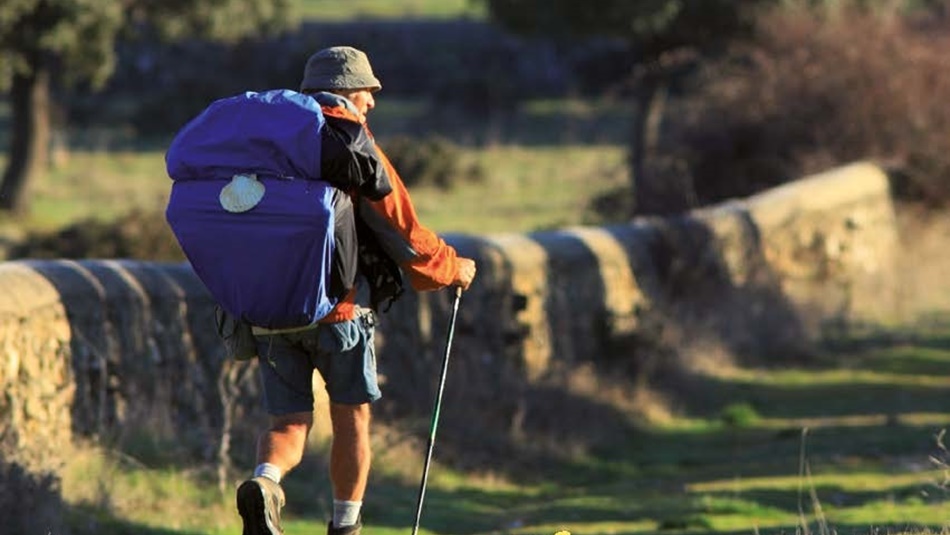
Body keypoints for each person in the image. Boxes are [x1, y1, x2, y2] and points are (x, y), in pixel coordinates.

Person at [235, 46, 478, 535]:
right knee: (352, 419)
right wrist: (453, 269)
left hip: (269, 310)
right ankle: (345, 526)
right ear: (346, 91)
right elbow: (403, 230)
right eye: (368, 92)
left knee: (288, 424)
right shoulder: (350, 141)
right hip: (340, 312)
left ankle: (265, 482)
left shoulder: (265, 141)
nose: (371, 104)